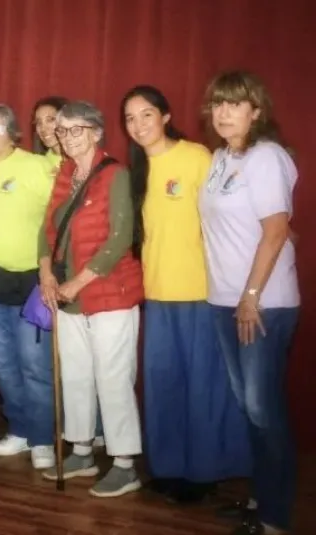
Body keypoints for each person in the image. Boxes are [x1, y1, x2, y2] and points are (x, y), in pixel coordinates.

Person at [121, 85, 250, 504]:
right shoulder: (136, 169)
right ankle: (168, 466)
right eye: (130, 118)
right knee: (163, 384)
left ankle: (203, 470)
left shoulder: (196, 158)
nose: (138, 125)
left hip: (200, 291)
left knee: (203, 385)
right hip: (158, 292)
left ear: (166, 115)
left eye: (146, 115)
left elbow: (229, 218)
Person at [199, 71, 299, 535]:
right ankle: (261, 500)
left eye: (235, 104)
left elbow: (276, 230)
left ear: (255, 111)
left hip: (263, 302)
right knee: (249, 406)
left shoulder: (267, 158)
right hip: (224, 299)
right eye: (218, 104)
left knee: (263, 408)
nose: (224, 112)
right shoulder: (221, 158)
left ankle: (276, 517)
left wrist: (251, 297)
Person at [37, 101, 144, 498]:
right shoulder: (65, 174)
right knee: (76, 375)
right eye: (61, 131)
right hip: (67, 295)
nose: (67, 138)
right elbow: (46, 231)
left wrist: (74, 284)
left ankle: (124, 463)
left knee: (113, 379)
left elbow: (119, 239)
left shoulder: (115, 174)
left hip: (108, 293)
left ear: (97, 132)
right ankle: (81, 450)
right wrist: (47, 274)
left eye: (75, 130)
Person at [0, 104, 56, 469]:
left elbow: (58, 220)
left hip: (32, 282)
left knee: (35, 364)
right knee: (0, 363)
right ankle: (20, 428)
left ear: (14, 132)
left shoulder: (34, 166)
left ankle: (43, 437)